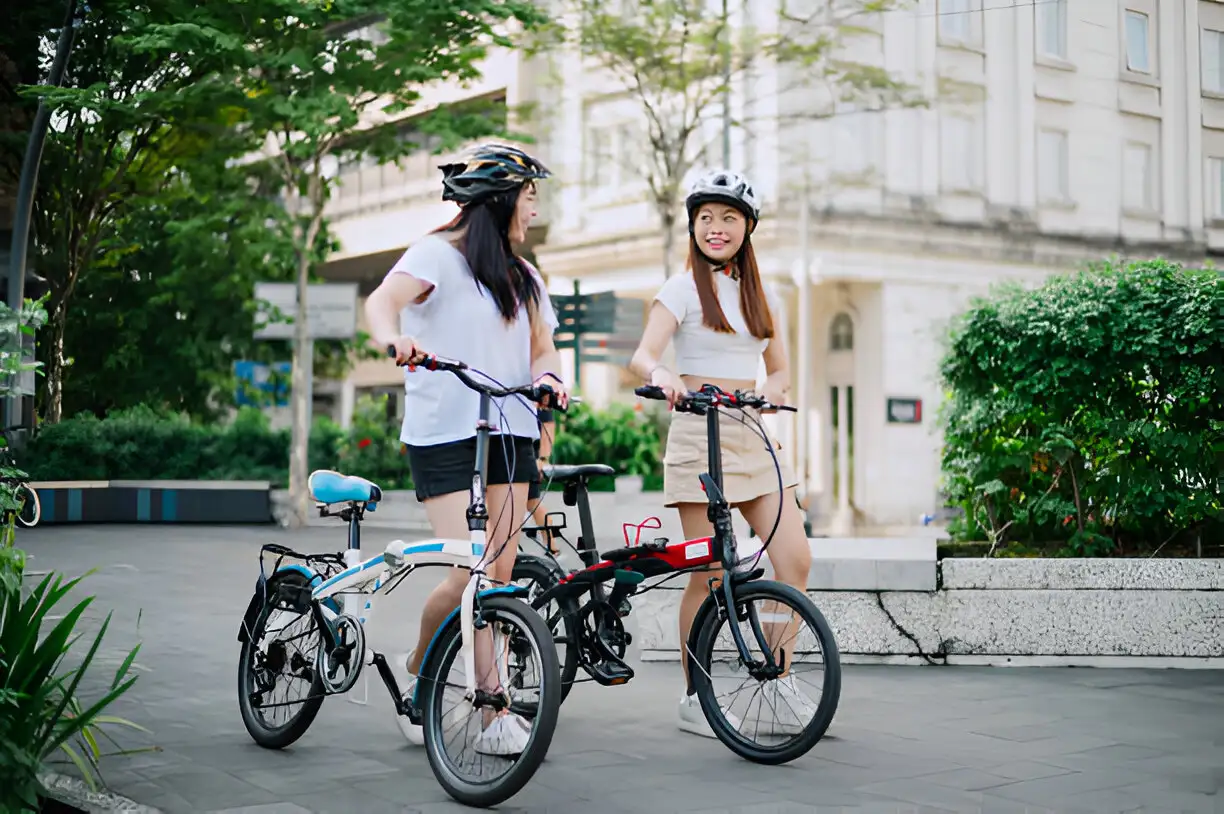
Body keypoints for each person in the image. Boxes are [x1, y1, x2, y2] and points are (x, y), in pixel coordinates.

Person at [363, 143, 568, 755]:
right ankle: (491, 709)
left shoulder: (524, 276)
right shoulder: (436, 255)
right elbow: (381, 302)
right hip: (446, 434)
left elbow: (543, 349)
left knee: (495, 575)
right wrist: (392, 339)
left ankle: (420, 668)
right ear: (501, 198)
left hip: (511, 431)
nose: (533, 210)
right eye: (529, 197)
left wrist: (554, 377)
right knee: (475, 570)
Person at [628, 168, 814, 738]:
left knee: (796, 560)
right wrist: (663, 377)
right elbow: (643, 356)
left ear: (747, 227)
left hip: (751, 435)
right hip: (696, 435)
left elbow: (778, 368)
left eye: (729, 217)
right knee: (708, 575)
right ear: (693, 225)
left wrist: (773, 397)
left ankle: (776, 680)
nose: (716, 227)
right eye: (706, 217)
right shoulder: (681, 289)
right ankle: (695, 696)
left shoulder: (764, 295)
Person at [524, 409, 560, 554]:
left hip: (529, 455)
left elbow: (548, 425)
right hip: (515, 452)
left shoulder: (538, 390)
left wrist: (543, 458)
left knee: (532, 501)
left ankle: (551, 542)